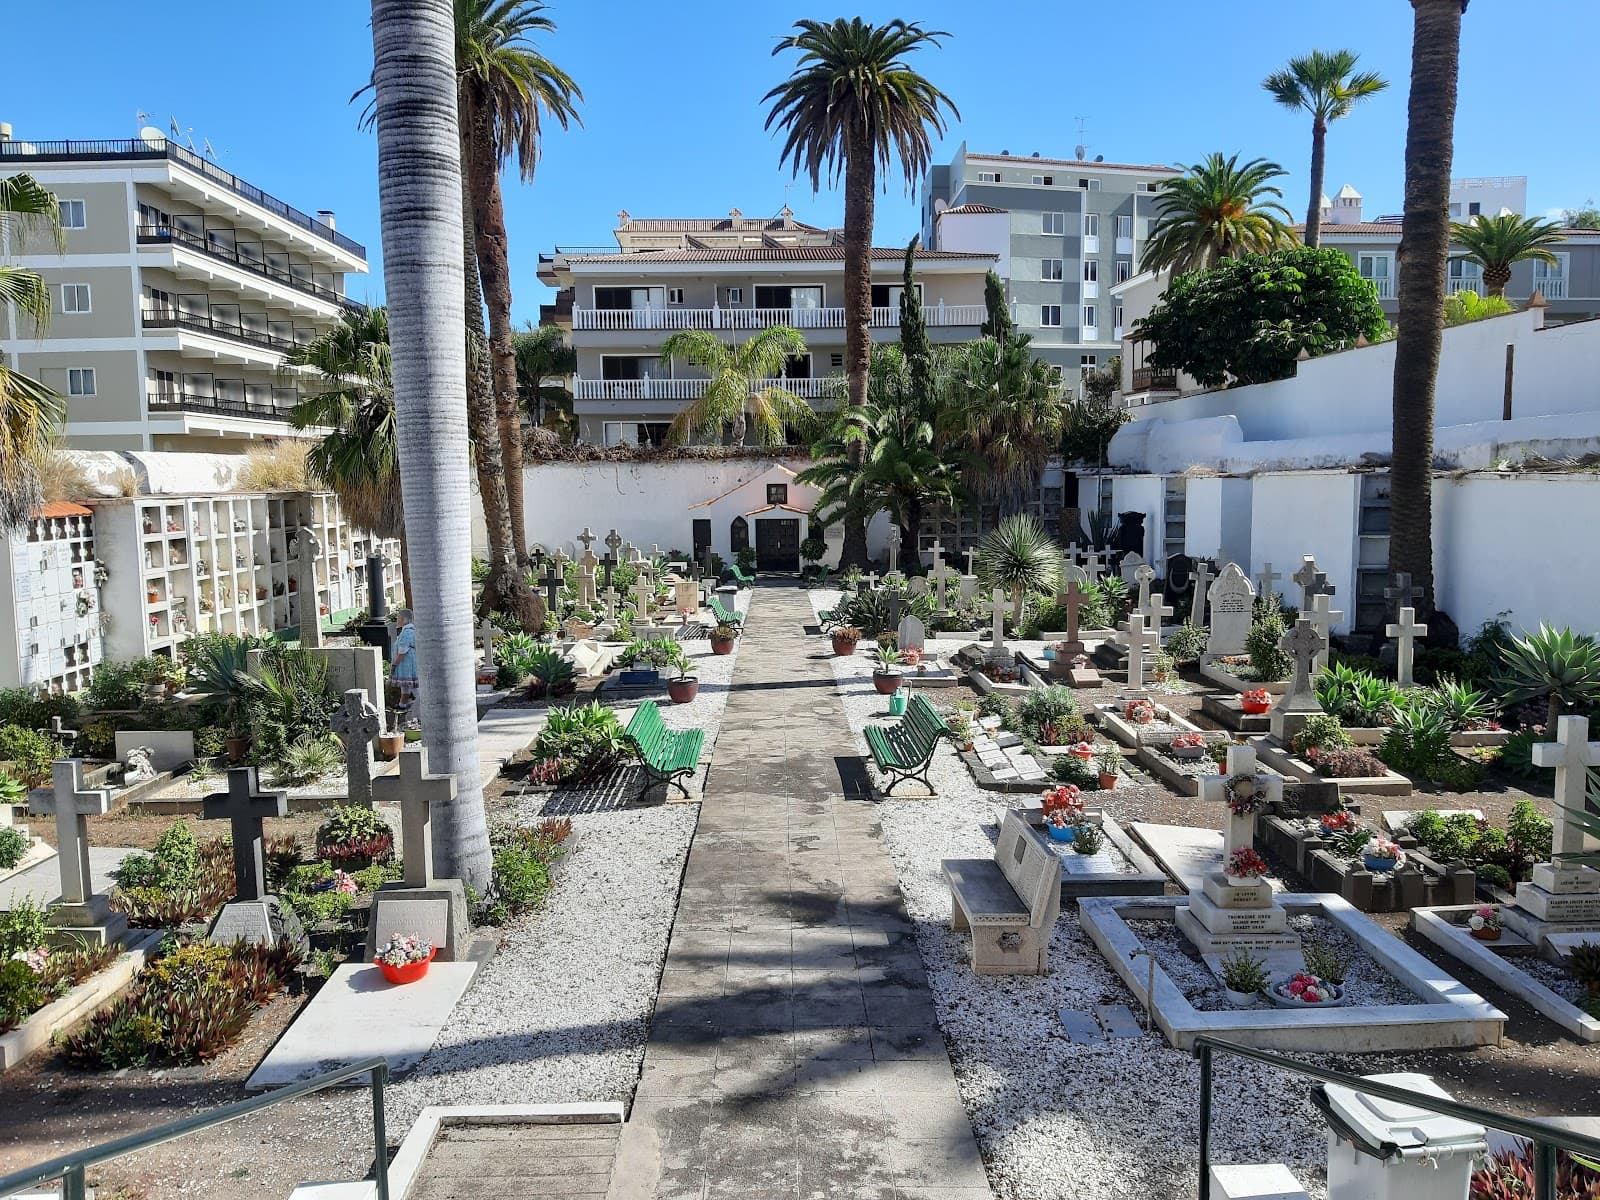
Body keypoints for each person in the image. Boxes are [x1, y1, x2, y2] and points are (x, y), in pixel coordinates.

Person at [390, 608, 418, 706]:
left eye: (399, 618)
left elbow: (402, 651)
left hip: (406, 663)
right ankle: (402, 703)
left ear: (404, 619)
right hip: (407, 662)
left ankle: (419, 702)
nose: (397, 620)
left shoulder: (407, 632)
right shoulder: (408, 631)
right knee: (406, 685)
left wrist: (395, 664)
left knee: (411, 684)